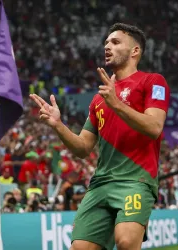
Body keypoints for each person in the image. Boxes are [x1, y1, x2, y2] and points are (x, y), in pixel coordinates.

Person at [30, 22, 170, 250]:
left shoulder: (153, 81)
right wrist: (57, 125)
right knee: (80, 248)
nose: (107, 46)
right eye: (106, 42)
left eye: (115, 42)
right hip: (101, 183)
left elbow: (154, 127)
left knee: (125, 242)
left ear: (135, 51)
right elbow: (83, 147)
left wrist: (116, 104)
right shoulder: (98, 99)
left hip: (135, 179)